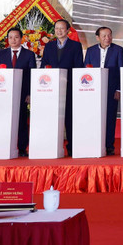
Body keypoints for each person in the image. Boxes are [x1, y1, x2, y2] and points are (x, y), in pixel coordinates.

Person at [40, 18, 84, 156]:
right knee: (52, 117)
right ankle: (52, 145)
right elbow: (44, 65)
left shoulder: (75, 46)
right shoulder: (49, 46)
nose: (59, 31)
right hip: (52, 88)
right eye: (56, 28)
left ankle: (72, 146)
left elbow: (78, 67)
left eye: (62, 28)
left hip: (69, 87)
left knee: (70, 118)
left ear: (68, 30)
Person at [0, 27, 37, 157]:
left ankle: (22, 148)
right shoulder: (1, 54)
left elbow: (31, 75)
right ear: (7, 39)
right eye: (10, 37)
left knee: (22, 121)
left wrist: (29, 93)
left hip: (22, 93)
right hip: (4, 93)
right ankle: (4, 145)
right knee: (5, 120)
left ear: (21, 38)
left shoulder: (29, 54)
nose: (13, 40)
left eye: (16, 37)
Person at [84, 26, 123, 155]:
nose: (108, 38)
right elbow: (86, 70)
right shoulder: (90, 51)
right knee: (94, 117)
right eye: (104, 36)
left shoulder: (118, 50)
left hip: (111, 90)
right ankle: (94, 142)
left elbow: (121, 71)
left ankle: (109, 145)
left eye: (109, 35)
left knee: (110, 117)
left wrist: (119, 89)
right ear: (97, 37)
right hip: (93, 90)